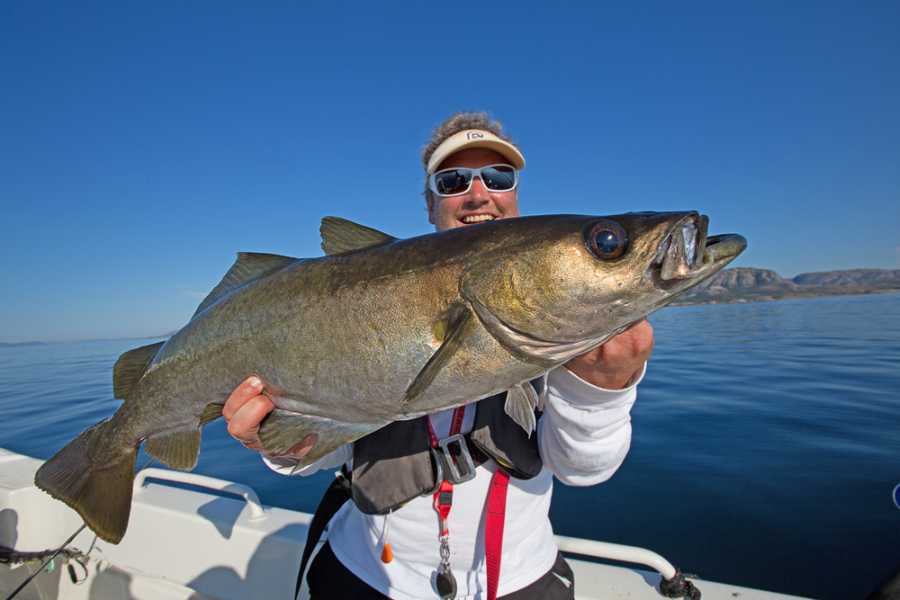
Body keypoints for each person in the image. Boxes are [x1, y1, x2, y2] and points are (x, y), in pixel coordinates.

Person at [222, 112, 654, 600]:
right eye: (452, 181)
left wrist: (601, 390)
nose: (477, 193)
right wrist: (282, 444)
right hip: (366, 574)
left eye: (498, 177)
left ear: (514, 194)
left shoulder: (564, 309)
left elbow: (582, 469)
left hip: (516, 579)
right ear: (430, 204)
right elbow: (328, 451)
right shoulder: (351, 298)